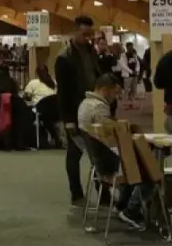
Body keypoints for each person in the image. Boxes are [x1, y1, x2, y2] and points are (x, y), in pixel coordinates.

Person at [78, 74, 148, 228]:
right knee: (149, 172)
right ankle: (131, 211)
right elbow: (113, 138)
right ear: (105, 90)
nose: (116, 97)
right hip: (110, 164)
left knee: (135, 163)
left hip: (98, 162)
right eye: (115, 93)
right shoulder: (99, 108)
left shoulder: (85, 104)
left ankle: (122, 205)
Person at [55, 16, 100, 207]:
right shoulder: (64, 58)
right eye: (84, 34)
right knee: (75, 154)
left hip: (94, 110)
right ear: (74, 32)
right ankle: (76, 193)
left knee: (99, 154)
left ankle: (103, 194)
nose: (88, 38)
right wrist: (67, 120)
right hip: (75, 112)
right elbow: (63, 92)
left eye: (91, 34)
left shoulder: (92, 53)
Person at [120, 42, 141, 108]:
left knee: (133, 89)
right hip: (127, 75)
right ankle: (125, 103)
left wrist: (137, 70)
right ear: (127, 47)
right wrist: (131, 72)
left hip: (134, 75)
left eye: (132, 47)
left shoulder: (134, 54)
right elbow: (123, 65)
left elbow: (137, 63)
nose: (131, 48)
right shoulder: (123, 55)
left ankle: (132, 102)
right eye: (129, 47)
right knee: (126, 89)